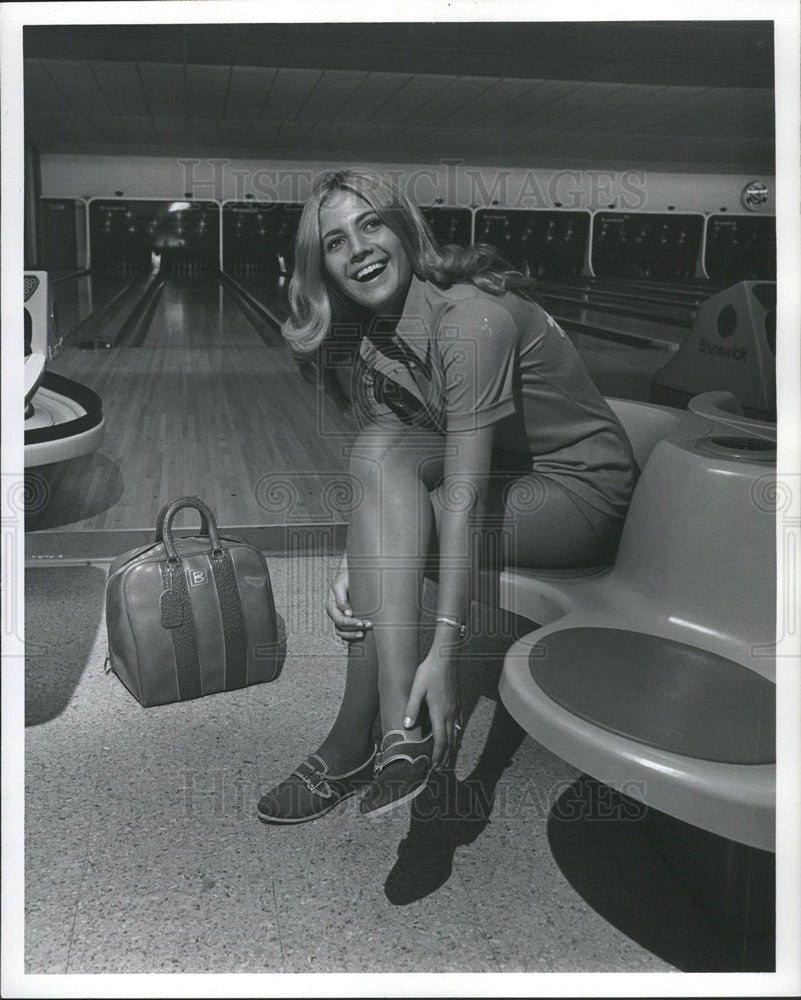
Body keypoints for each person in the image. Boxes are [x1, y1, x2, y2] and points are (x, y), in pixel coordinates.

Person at [256, 169, 638, 824]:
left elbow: (458, 498)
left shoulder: (469, 319)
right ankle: (395, 734)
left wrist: (446, 646)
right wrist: (353, 560)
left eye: (370, 223)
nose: (359, 249)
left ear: (403, 226)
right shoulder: (379, 341)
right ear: (321, 265)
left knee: (397, 537)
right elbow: (387, 472)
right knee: (377, 448)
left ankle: (369, 733)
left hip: (575, 490)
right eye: (336, 241)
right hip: (506, 478)